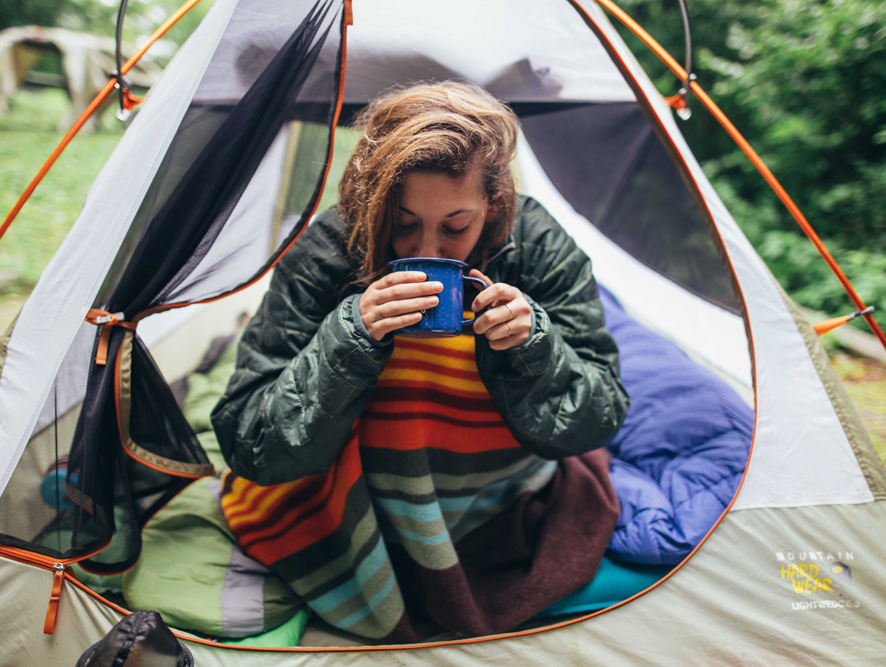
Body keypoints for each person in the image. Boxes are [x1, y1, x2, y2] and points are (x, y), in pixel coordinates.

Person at [211, 81, 630, 642]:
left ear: (495, 205)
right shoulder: (328, 250)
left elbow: (599, 413)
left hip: (494, 499)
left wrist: (534, 346)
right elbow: (249, 443)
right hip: (353, 498)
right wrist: (351, 335)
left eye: (456, 226)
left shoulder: (538, 246)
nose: (425, 248)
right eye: (402, 222)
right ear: (369, 202)